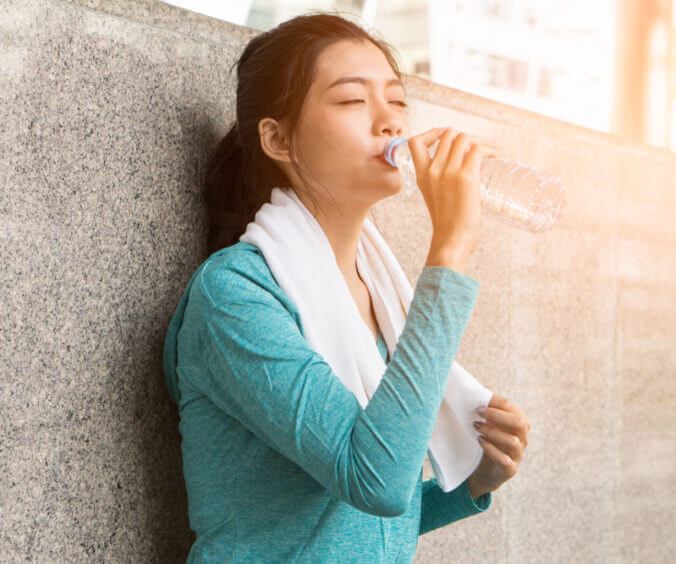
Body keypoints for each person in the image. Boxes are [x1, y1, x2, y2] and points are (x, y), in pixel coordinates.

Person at [162, 11, 531, 562]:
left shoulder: (377, 291)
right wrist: (450, 249)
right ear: (278, 139)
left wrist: (475, 482)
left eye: (398, 101)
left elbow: (351, 526)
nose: (390, 123)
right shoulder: (235, 295)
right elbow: (374, 479)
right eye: (353, 101)